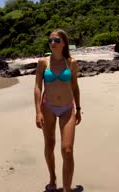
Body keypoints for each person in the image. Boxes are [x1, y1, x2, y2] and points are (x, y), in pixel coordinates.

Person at [34, 28, 81, 192]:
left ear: (64, 43)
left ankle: (67, 189)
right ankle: (53, 178)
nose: (53, 43)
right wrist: (38, 111)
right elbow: (38, 87)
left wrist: (79, 108)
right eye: (50, 41)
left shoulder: (71, 63)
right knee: (50, 144)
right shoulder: (43, 63)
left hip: (68, 108)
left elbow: (75, 87)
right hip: (47, 107)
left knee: (67, 150)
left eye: (57, 40)